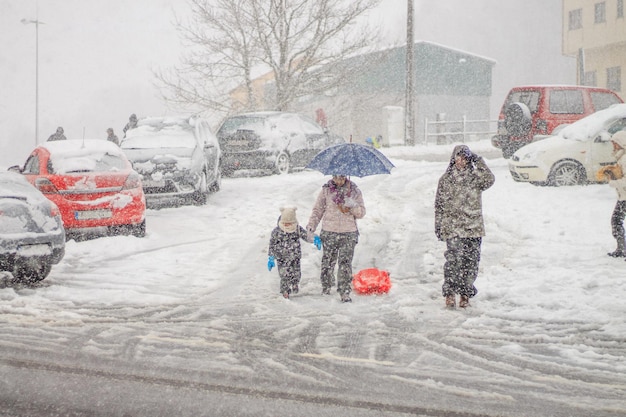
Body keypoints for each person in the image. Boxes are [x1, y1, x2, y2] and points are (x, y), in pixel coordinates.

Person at [435, 145, 495, 309]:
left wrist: (479, 160)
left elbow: (490, 179)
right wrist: (438, 225)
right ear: (453, 158)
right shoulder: (446, 179)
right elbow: (439, 205)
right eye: (459, 157)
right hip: (452, 227)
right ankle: (449, 293)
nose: (461, 161)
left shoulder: (476, 178)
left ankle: (465, 293)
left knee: (471, 262)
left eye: (465, 158)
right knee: (453, 261)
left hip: (473, 228)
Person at [306, 175, 366, 303]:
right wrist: (311, 226)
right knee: (328, 262)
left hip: (348, 233)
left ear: (346, 177)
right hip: (329, 232)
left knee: (345, 264)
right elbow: (318, 210)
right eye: (336, 177)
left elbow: (361, 213)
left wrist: (352, 204)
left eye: (341, 178)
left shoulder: (354, 191)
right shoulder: (326, 190)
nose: (338, 181)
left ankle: (344, 291)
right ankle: (326, 286)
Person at [268, 207, 321, 299]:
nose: (287, 225)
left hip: (295, 256)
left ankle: (295, 283)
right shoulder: (277, 232)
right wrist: (271, 257)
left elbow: (306, 236)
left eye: (290, 223)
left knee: (296, 273)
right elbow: (272, 244)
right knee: (284, 275)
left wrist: (314, 238)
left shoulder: (297, 229)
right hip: (281, 258)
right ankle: (285, 290)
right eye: (285, 223)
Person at [601, 131, 626, 258]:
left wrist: (613, 182)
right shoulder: (621, 157)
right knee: (616, 221)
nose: (613, 145)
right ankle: (621, 249)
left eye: (614, 143)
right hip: (623, 196)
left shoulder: (625, 158)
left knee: (616, 221)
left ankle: (622, 249)